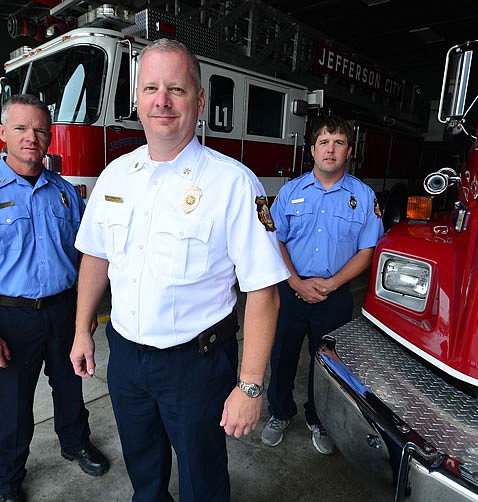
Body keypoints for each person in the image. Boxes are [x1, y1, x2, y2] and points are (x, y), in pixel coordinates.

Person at [70, 38, 290, 501]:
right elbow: (96, 256)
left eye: (176, 88)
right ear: (137, 100)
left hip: (197, 365)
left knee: (202, 479)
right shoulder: (115, 175)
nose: (161, 101)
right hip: (126, 358)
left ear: (200, 100)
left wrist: (250, 386)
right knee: (143, 470)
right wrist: (81, 330)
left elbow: (264, 291)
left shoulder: (232, 182)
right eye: (150, 88)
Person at [0, 94, 109, 502]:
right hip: (11, 318)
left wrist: (84, 315)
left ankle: (75, 442)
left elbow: (85, 258)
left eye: (41, 130)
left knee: (70, 386)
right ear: (1, 135)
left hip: (64, 310)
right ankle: (6, 480)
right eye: (22, 128)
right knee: (11, 406)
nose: (32, 137)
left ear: (49, 138)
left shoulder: (65, 193)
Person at [260, 115, 384, 454]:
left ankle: (320, 419)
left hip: (335, 297)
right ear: (312, 150)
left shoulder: (363, 196)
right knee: (282, 357)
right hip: (290, 292)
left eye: (339, 142)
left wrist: (330, 284)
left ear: (348, 152)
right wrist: (295, 282)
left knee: (328, 364)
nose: (331, 149)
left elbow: (367, 250)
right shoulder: (290, 192)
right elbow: (275, 242)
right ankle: (279, 413)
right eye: (324, 142)